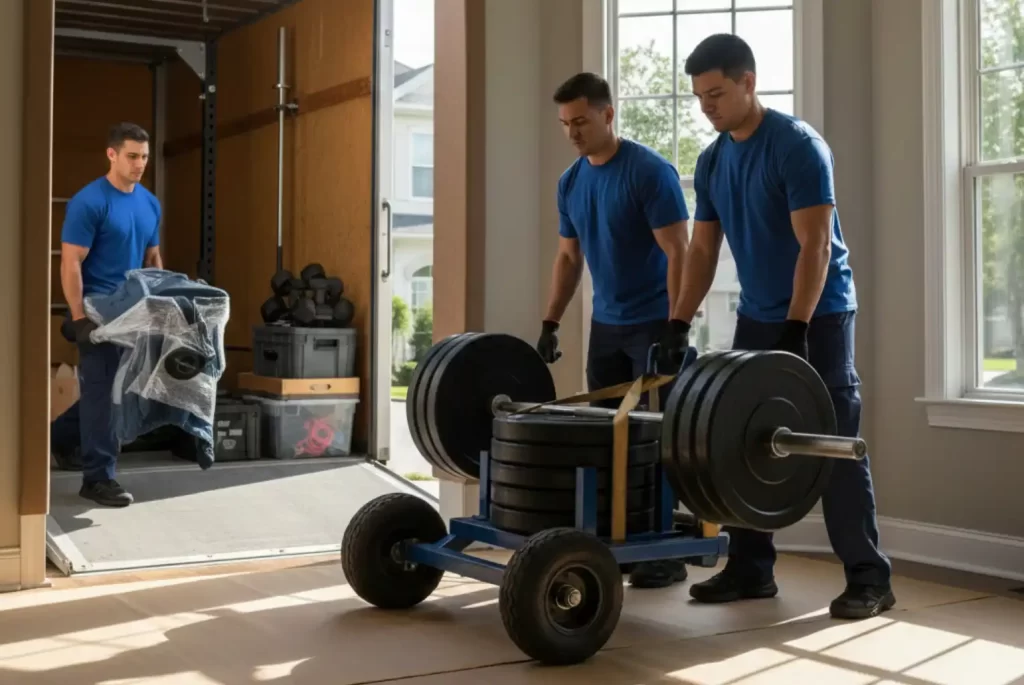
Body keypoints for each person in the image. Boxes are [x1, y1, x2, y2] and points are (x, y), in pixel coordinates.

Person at [650, 34, 894, 620]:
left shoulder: (798, 147)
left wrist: (797, 326)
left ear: (748, 83)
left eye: (716, 94)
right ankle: (751, 568)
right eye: (699, 97)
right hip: (757, 315)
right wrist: (679, 320)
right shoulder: (712, 160)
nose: (706, 107)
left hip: (822, 314)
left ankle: (869, 577)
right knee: (738, 440)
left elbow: (813, 246)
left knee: (832, 445)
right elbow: (704, 250)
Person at [537, 72, 694, 589]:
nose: (573, 133)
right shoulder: (571, 181)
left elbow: (679, 251)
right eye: (565, 124)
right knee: (604, 438)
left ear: (608, 114)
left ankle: (664, 548)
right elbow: (567, 257)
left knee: (658, 438)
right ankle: (613, 543)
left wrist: (678, 324)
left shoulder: (650, 172)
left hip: (653, 324)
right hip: (606, 326)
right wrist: (551, 321)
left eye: (581, 121)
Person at [50, 122, 163, 508]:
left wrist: (160, 305)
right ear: (111, 154)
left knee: (123, 388)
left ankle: (59, 437)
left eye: (144, 157)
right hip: (98, 309)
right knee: (103, 391)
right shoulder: (89, 201)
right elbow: (71, 262)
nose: (139, 164)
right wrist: (79, 316)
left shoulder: (149, 203)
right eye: (132, 156)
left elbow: (152, 259)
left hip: (134, 308)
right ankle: (98, 478)